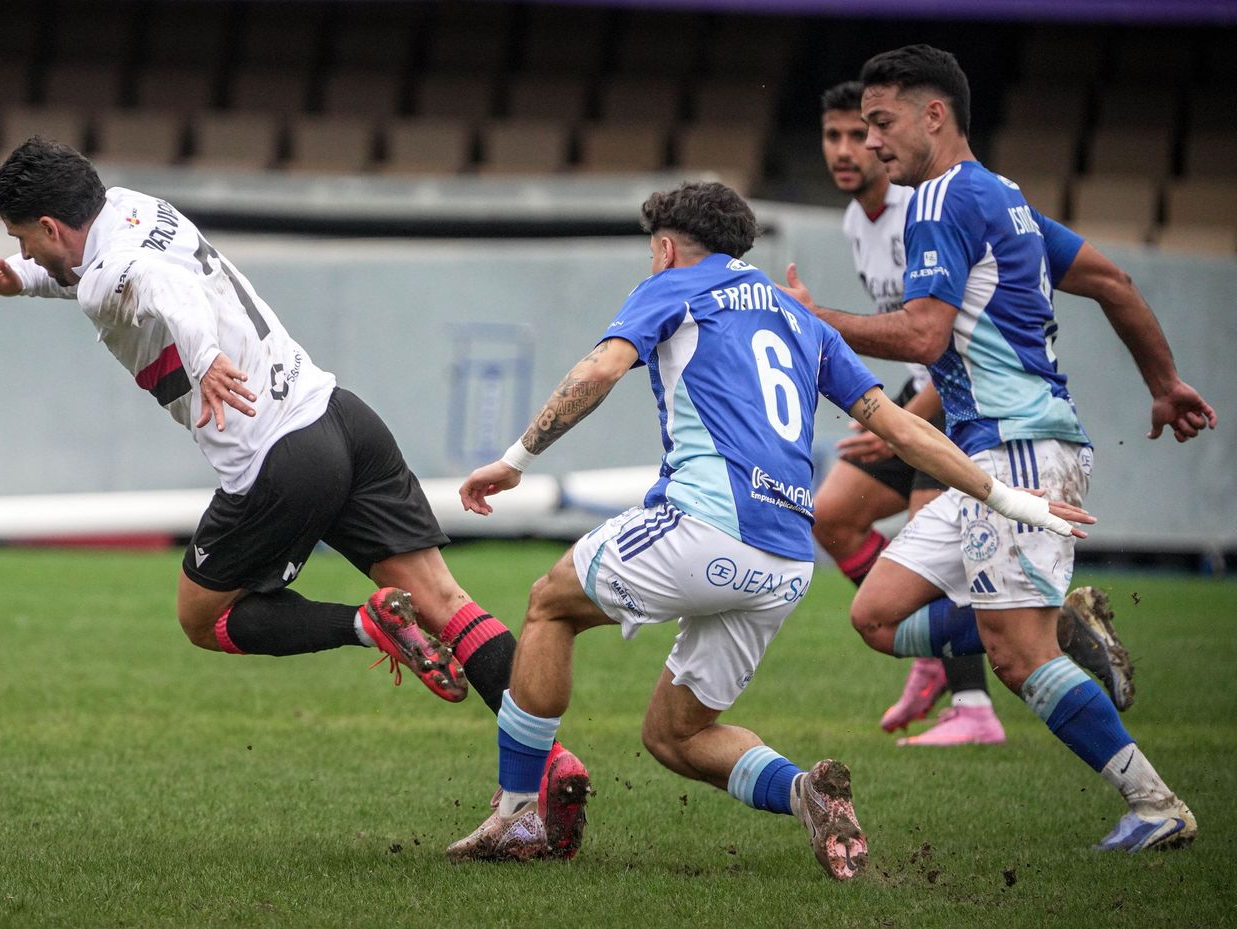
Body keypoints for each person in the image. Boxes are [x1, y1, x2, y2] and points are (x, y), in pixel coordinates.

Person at [443, 181, 1094, 880]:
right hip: (784, 560)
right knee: (675, 733)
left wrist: (515, 461)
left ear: (666, 248)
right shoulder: (800, 318)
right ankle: (805, 792)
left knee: (550, 603)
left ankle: (518, 812)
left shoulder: (673, 283)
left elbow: (600, 368)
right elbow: (901, 427)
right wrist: (1008, 497)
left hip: (704, 525)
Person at [0, 139, 586, 819]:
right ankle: (550, 764)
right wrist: (18, 279)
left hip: (278, 459)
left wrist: (204, 357)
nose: (22, 249)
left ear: (51, 226)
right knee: (445, 601)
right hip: (340, 417)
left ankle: (365, 624)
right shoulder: (135, 209)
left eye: (22, 239)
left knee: (202, 616)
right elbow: (105, 275)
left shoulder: (117, 268)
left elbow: (165, 290)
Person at [802, 45, 1214, 852]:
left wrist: (814, 322)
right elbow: (1114, 282)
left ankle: (1154, 802)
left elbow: (923, 334)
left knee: (1015, 657)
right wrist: (1163, 384)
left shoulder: (940, 200)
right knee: (876, 615)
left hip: (1017, 449)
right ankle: (1058, 624)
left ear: (934, 115)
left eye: (881, 123)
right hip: (991, 454)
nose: (872, 142)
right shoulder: (1006, 198)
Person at [805, 81, 1134, 746]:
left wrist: (899, 420)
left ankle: (974, 703)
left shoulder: (929, 202)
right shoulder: (856, 222)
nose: (849, 148)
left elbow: (936, 337)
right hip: (918, 402)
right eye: (834, 135)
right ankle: (966, 647)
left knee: (942, 552)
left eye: (864, 132)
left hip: (960, 409)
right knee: (832, 515)